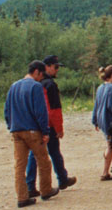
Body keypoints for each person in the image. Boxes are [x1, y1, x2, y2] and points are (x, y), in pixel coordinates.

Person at [4, 60, 59, 208]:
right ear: (36, 72)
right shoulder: (36, 87)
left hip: (16, 131)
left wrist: (11, 125)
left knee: (19, 166)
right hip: (33, 131)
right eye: (41, 75)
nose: (41, 79)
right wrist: (45, 131)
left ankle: (22, 197)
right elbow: (41, 112)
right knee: (44, 162)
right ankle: (46, 190)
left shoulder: (13, 86)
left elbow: (7, 110)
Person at [26, 55, 76, 196]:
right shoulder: (50, 85)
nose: (57, 70)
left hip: (35, 124)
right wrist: (59, 128)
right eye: (56, 67)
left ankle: (30, 185)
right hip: (48, 125)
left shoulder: (34, 84)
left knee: (34, 155)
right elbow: (54, 110)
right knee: (54, 152)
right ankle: (62, 179)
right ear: (46, 67)